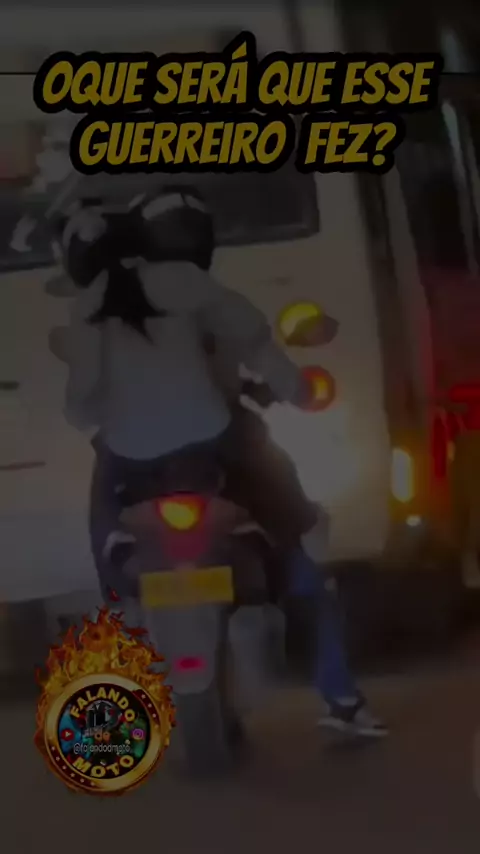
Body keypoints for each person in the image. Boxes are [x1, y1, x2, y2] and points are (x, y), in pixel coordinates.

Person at [58, 187, 387, 737]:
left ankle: (117, 601)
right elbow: (260, 348)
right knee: (298, 544)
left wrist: (120, 410)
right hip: (213, 441)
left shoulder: (88, 304)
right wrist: (300, 393)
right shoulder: (194, 284)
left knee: (102, 524)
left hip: (131, 457)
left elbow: (78, 409)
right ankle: (343, 698)